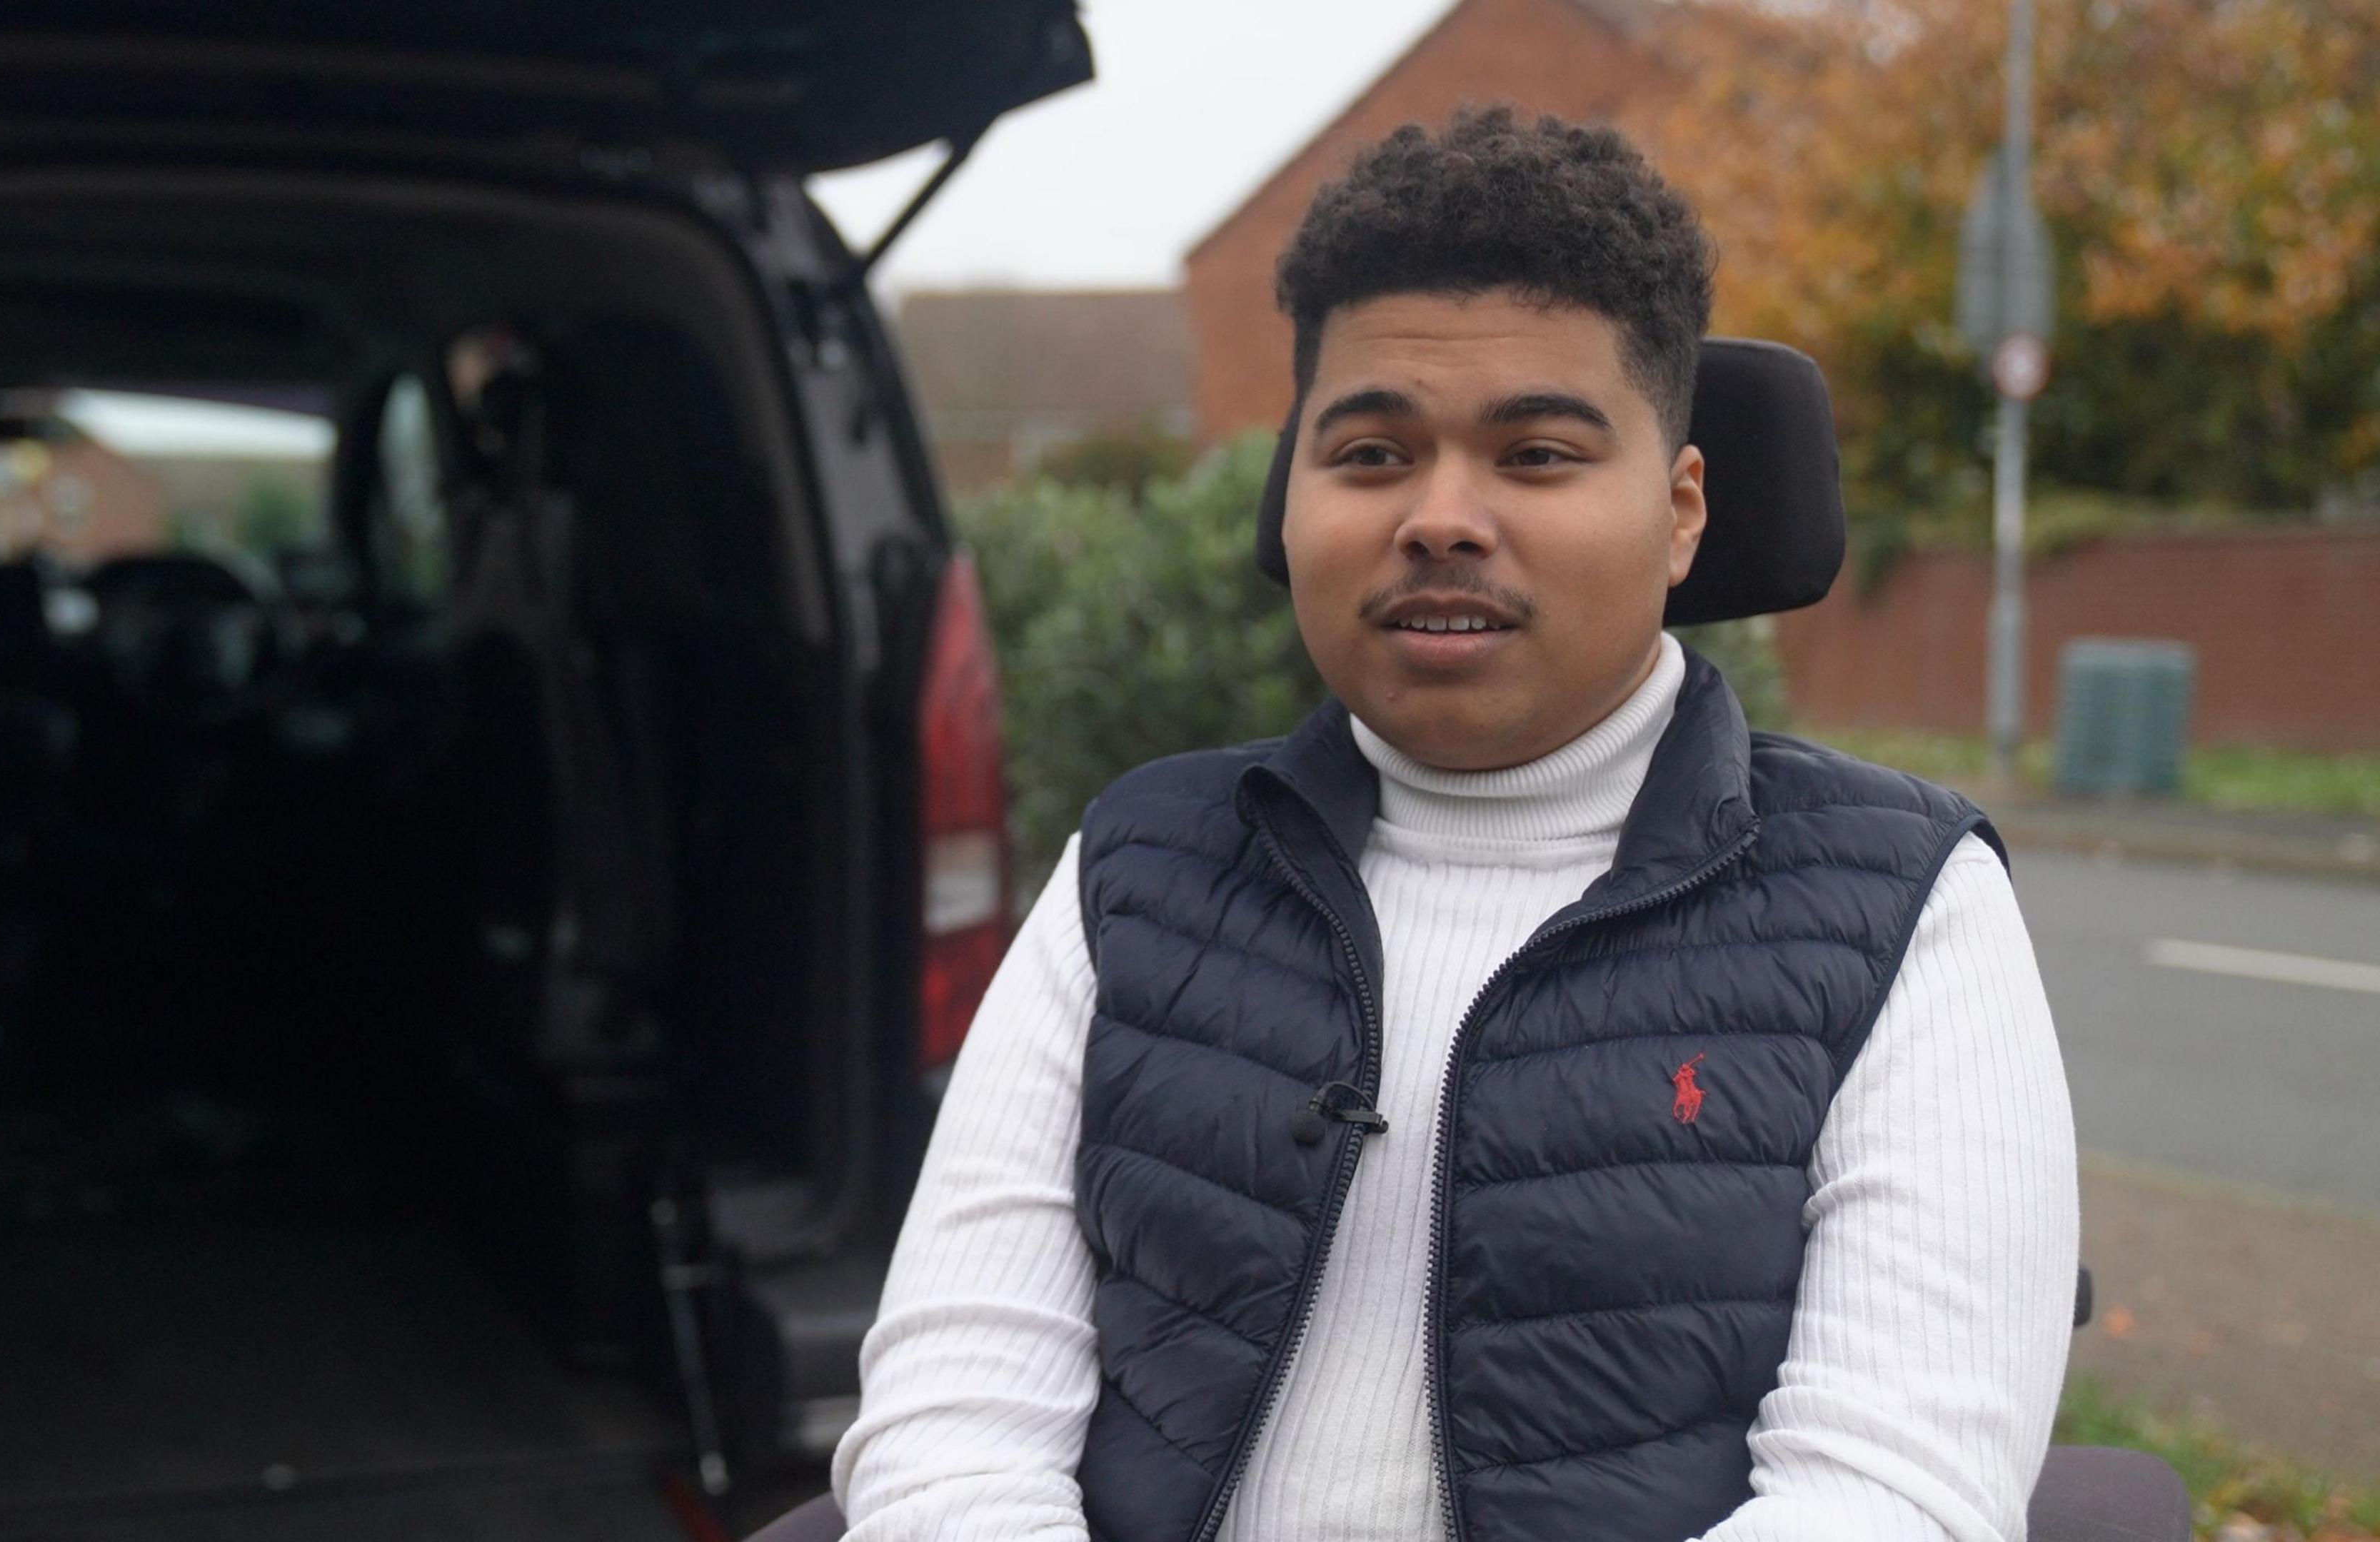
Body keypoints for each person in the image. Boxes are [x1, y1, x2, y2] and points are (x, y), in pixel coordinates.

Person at [832, 105, 2078, 1542]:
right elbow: (951, 1425)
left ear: (1682, 512)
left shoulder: (1899, 905)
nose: (1439, 518)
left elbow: (1891, 1496)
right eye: (1370, 454)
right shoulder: (1138, 871)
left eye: (1536, 454)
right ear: (1291, 499)